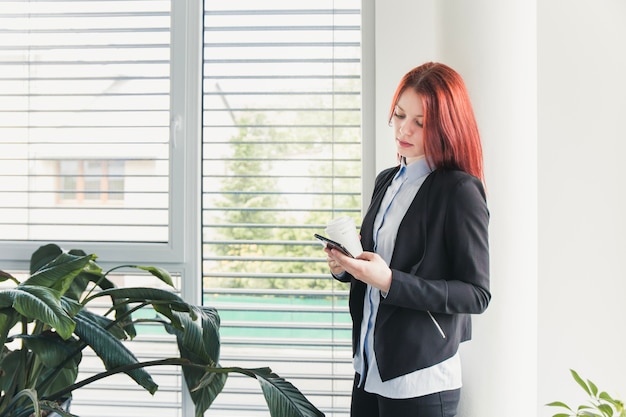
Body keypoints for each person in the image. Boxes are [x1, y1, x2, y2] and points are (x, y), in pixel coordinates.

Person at [324, 62, 491, 417]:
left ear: (446, 126)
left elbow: (476, 294)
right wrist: (346, 266)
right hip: (369, 368)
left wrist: (389, 281)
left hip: (421, 381)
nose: (404, 129)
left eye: (421, 122)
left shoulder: (459, 190)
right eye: (400, 115)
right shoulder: (387, 180)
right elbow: (377, 263)